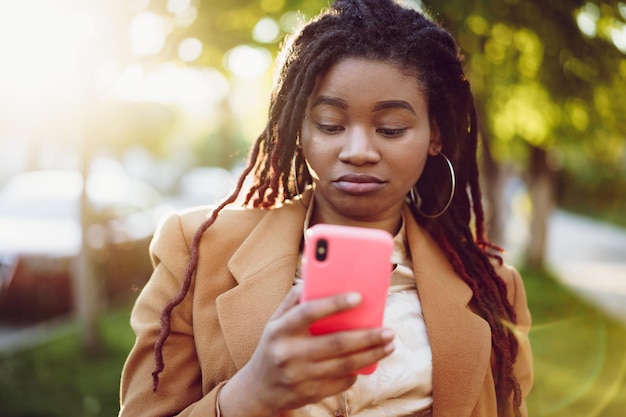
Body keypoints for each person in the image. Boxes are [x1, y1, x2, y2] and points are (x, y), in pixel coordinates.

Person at [118, 0, 533, 416]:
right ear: (298, 128)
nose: (358, 151)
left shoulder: (494, 290)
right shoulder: (195, 251)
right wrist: (247, 395)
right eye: (331, 125)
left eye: (391, 129)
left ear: (434, 136)